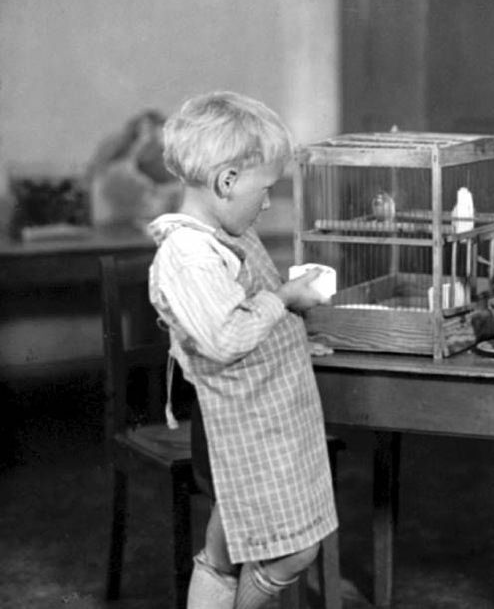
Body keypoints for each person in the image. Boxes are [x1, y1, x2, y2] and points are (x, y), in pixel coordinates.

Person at [148, 91, 338, 609]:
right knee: (293, 553)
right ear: (227, 181)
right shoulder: (188, 255)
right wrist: (285, 299)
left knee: (226, 547)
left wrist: (297, 332)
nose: (269, 201)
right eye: (267, 188)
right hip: (241, 428)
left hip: (270, 415)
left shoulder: (228, 232)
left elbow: (253, 310)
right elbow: (227, 336)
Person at [86, 108, 182, 228]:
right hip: (116, 237)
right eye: (152, 142)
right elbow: (151, 208)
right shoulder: (118, 173)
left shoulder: (155, 170)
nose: (160, 151)